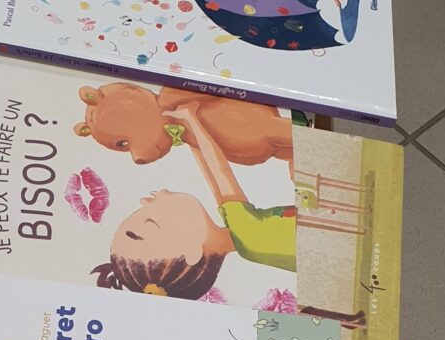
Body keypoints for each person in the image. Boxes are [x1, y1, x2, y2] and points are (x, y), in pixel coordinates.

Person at [93, 106, 296, 298]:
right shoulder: (248, 236)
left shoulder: (244, 241)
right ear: (191, 253)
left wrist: (190, 133)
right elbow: (220, 171)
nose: (146, 201)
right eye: (152, 221)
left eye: (141, 209)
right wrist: (191, 119)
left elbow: (213, 179)